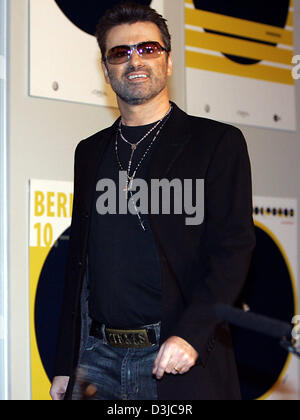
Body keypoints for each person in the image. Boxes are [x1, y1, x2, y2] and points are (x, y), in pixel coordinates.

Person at [50, 2, 256, 401]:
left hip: (173, 355)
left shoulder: (216, 143)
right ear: (106, 68)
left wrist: (191, 336)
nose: (134, 61)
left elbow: (233, 251)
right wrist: (64, 364)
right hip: (96, 358)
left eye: (148, 48)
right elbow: (80, 265)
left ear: (169, 60)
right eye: (119, 52)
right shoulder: (89, 152)